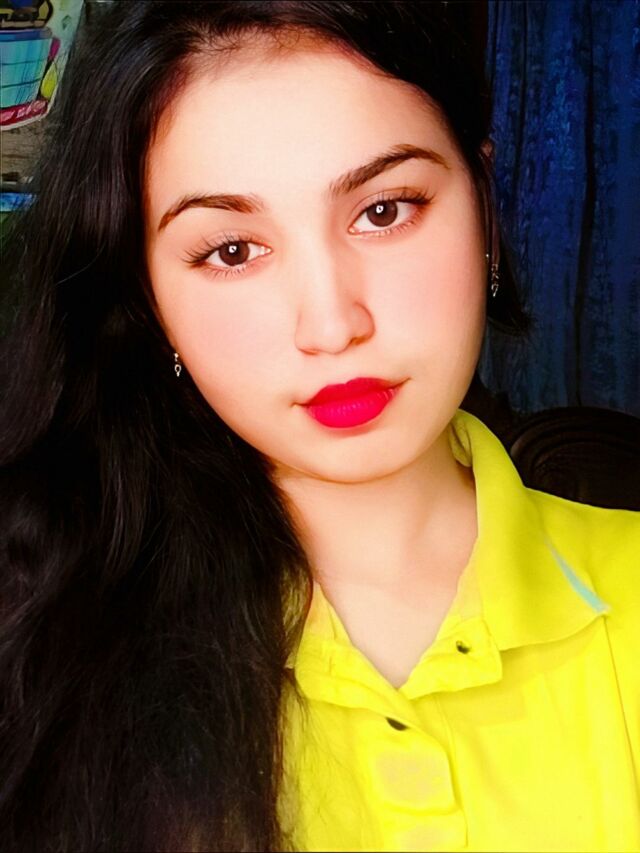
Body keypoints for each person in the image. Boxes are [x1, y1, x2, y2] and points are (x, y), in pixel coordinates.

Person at [0, 2, 638, 851]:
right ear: (150, 302)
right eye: (233, 250)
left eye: (385, 210)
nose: (332, 326)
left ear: (484, 208)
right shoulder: (42, 647)